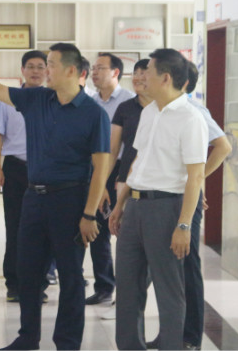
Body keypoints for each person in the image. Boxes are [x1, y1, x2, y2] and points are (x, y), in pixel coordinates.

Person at [0, 43, 111, 350]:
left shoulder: (94, 114)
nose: (44, 70)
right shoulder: (36, 99)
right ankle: (28, 338)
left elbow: (101, 168)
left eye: (51, 64)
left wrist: (89, 214)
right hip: (33, 197)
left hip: (70, 201)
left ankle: (67, 343)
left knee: (70, 276)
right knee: (27, 271)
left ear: (71, 70)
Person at [110, 49, 208, 350]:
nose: (141, 78)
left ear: (165, 78)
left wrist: (184, 225)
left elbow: (195, 177)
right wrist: (120, 203)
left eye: (147, 72)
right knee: (128, 286)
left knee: (169, 291)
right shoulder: (149, 111)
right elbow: (138, 161)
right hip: (135, 206)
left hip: (167, 209)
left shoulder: (191, 119)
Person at [146, 60, 232, 350]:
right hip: (160, 198)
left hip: (184, 200)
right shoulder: (156, 111)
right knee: (167, 270)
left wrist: (196, 179)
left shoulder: (194, 110)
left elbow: (223, 146)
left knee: (186, 267)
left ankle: (190, 337)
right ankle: (170, 333)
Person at [0, 50, 48, 302]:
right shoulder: (8, 99)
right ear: (22, 71)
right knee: (14, 226)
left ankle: (39, 284)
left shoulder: (53, 98)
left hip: (45, 170)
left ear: (47, 71)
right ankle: (13, 283)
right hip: (15, 168)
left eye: (40, 67)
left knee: (43, 229)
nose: (35, 71)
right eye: (30, 66)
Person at [100, 58, 152, 320]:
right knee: (127, 244)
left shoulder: (162, 108)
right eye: (136, 73)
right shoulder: (126, 108)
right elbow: (112, 150)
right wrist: (101, 184)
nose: (139, 78)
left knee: (152, 247)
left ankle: (134, 299)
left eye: (145, 73)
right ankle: (125, 303)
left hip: (156, 184)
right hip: (126, 181)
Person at [85, 53, 135, 305]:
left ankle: (129, 291)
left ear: (116, 72)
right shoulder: (90, 103)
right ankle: (104, 287)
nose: (94, 73)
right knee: (98, 230)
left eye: (100, 68)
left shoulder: (129, 102)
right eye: (93, 68)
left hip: (122, 173)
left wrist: (107, 181)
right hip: (95, 170)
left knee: (125, 232)